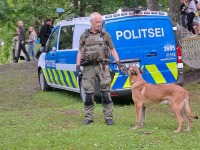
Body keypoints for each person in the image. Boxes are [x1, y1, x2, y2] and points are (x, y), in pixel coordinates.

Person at [76, 12, 127, 125]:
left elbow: (112, 49)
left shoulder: (105, 35)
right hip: (88, 67)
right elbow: (79, 51)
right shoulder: (85, 35)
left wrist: (118, 62)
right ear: (91, 22)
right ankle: (89, 117)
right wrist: (77, 66)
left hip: (103, 66)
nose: (99, 24)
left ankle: (108, 117)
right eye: (96, 22)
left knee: (105, 93)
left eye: (100, 22)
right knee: (88, 93)